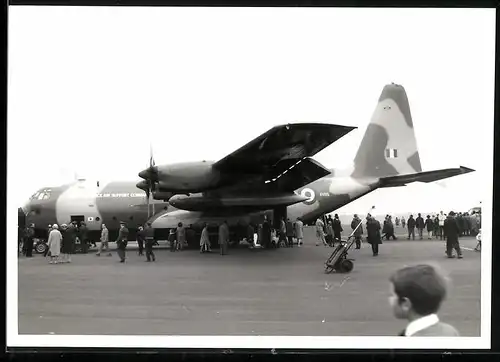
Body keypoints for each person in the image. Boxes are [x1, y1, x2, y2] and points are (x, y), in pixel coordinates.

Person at [389, 264, 459, 336]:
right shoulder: (451, 332)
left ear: (405, 304)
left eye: (392, 295)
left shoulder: (408, 342)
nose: (390, 299)